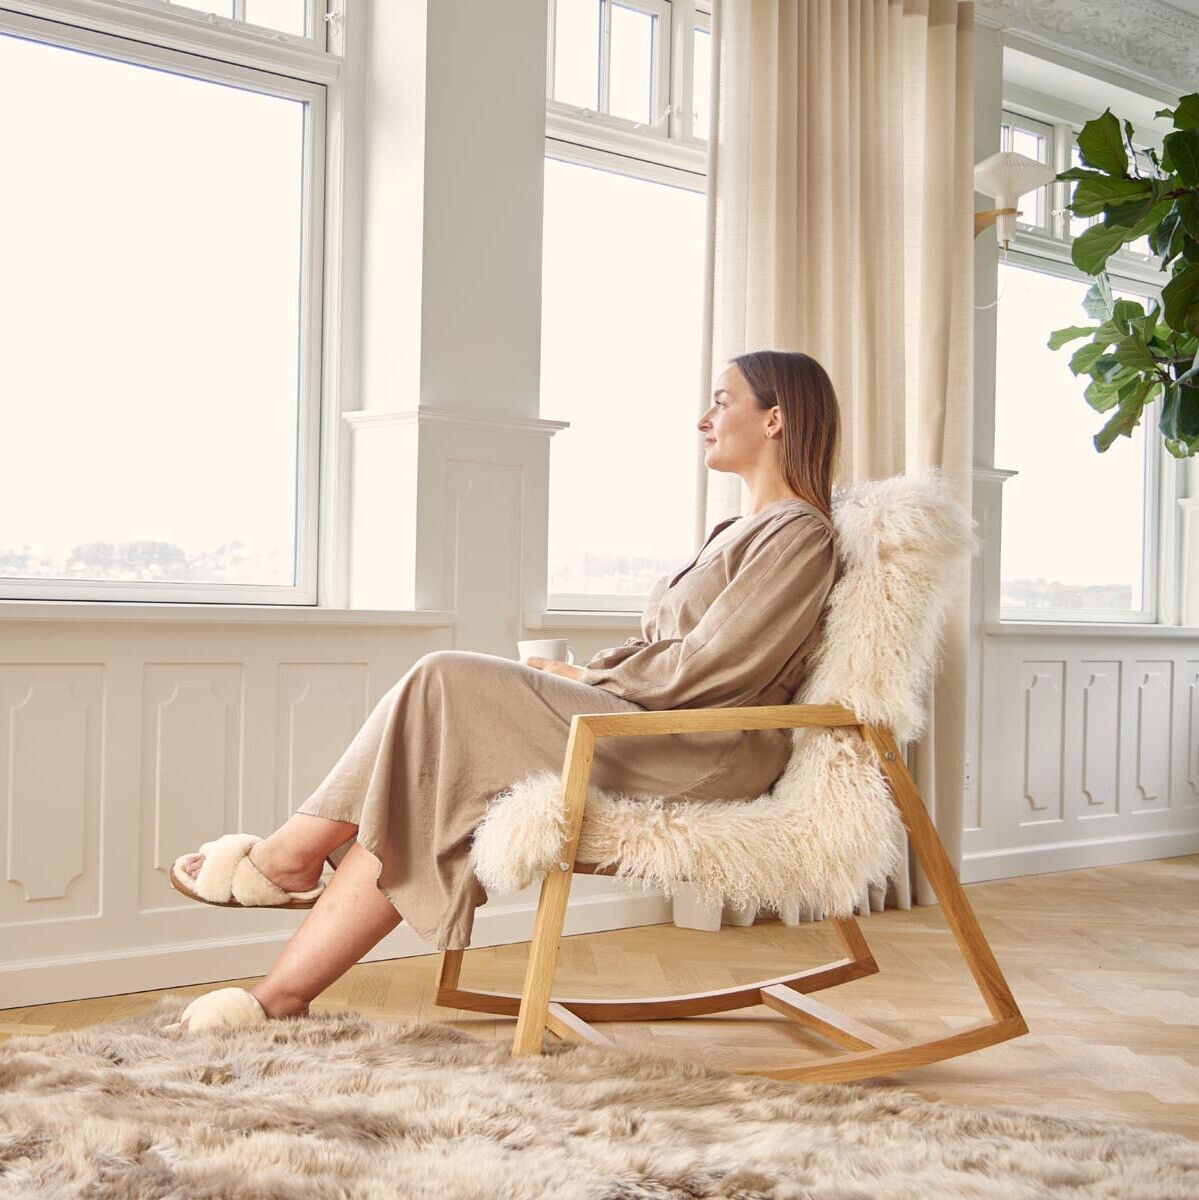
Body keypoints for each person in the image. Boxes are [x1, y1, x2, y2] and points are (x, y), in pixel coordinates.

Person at [171, 349, 843, 1032]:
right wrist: (592, 676)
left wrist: (588, 677)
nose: (704, 419)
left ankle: (289, 856)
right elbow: (687, 655)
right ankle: (279, 996)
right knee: (425, 777)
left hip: (704, 749)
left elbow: (715, 667)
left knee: (442, 678)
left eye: (722, 402)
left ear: (775, 419)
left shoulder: (799, 535)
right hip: (653, 724)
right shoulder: (741, 530)